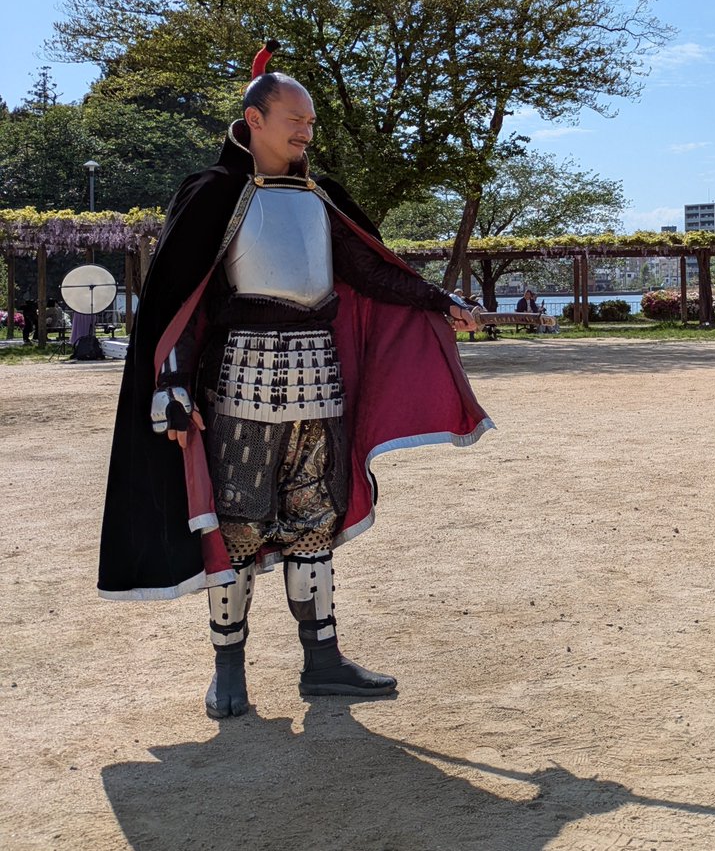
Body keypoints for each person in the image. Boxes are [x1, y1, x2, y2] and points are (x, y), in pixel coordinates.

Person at [99, 42, 492, 720]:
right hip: (242, 379)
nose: (306, 132)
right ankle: (229, 669)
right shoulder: (215, 195)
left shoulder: (321, 198)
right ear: (254, 118)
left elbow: (372, 270)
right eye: (294, 119)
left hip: (320, 377)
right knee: (240, 525)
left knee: (316, 520)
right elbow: (180, 301)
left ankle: (323, 660)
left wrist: (437, 299)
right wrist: (172, 380)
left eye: (310, 123)